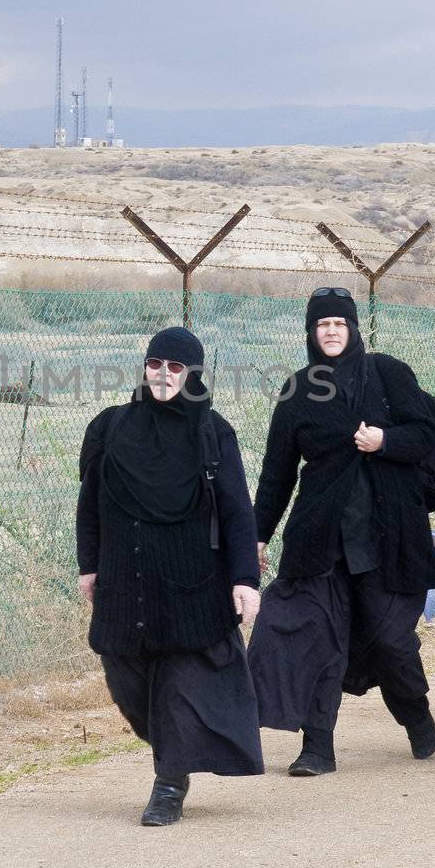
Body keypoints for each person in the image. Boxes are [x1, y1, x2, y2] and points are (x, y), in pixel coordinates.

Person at [247, 287, 435, 775]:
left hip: (388, 538)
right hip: (321, 539)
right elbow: (277, 471)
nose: (331, 332)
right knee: (317, 637)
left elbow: (425, 435)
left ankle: (414, 711)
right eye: (322, 325)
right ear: (311, 333)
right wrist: (257, 536)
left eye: (339, 323)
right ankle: (317, 749)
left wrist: (385, 440)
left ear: (354, 328)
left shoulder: (389, 374)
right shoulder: (298, 390)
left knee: (390, 641)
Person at [76, 326, 263, 826]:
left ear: (193, 375)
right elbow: (89, 504)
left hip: (190, 581)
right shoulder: (111, 427)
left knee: (179, 681)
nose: (163, 375)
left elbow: (238, 511)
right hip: (125, 576)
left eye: (176, 367)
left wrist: (245, 579)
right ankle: (174, 749)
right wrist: (88, 566)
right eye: (155, 364)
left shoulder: (212, 432)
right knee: (125, 676)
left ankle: (169, 783)